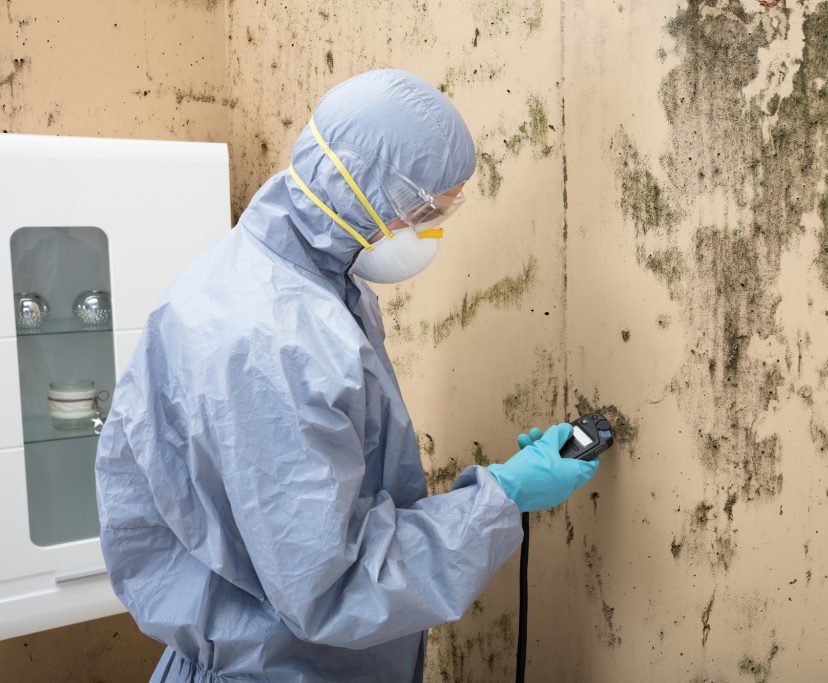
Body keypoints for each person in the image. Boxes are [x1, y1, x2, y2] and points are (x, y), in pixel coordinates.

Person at [94, 68, 600, 683]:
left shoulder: (290, 273)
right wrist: (499, 499)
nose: (432, 230)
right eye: (426, 212)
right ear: (363, 193)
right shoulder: (279, 342)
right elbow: (332, 588)